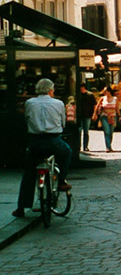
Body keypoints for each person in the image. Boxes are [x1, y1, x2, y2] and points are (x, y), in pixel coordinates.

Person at [13, 78, 73, 218]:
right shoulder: (58, 103)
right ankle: (62, 180)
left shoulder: (30, 103)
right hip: (54, 141)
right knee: (67, 152)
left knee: (29, 173)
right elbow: (62, 123)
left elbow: (27, 119)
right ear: (51, 90)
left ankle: (21, 207)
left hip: (35, 141)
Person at [93, 86, 121, 152]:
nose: (104, 92)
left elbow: (117, 108)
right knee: (107, 131)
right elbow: (97, 107)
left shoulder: (115, 99)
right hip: (104, 117)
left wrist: (120, 116)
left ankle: (109, 145)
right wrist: (94, 114)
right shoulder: (102, 99)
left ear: (109, 91)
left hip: (113, 117)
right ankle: (108, 147)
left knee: (111, 132)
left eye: (105, 91)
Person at [77, 85, 96, 151]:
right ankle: (78, 146)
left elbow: (94, 104)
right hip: (79, 115)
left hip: (87, 115)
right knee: (79, 131)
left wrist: (94, 113)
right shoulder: (77, 95)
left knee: (86, 131)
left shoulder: (90, 95)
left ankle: (85, 146)